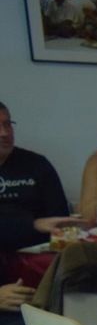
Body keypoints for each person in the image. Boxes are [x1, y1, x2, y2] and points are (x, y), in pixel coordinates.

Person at [0, 100, 77, 255]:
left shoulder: (37, 164)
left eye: (7, 124)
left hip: (38, 253)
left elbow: (60, 220)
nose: (4, 133)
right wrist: (32, 224)